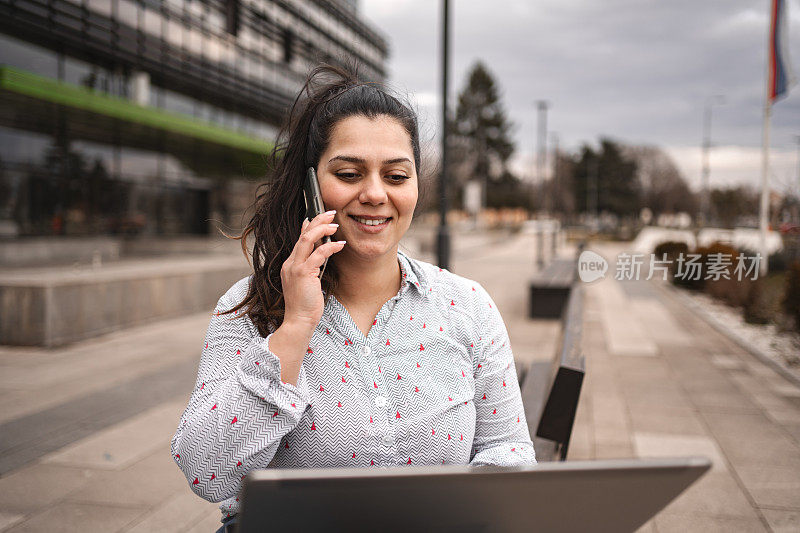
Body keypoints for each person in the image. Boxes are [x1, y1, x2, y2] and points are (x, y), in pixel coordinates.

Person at [170, 64, 536, 533]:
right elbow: (207, 470)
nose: (375, 194)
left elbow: (508, 455)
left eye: (397, 176)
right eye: (349, 173)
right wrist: (295, 327)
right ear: (309, 185)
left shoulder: (467, 305)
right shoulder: (248, 308)